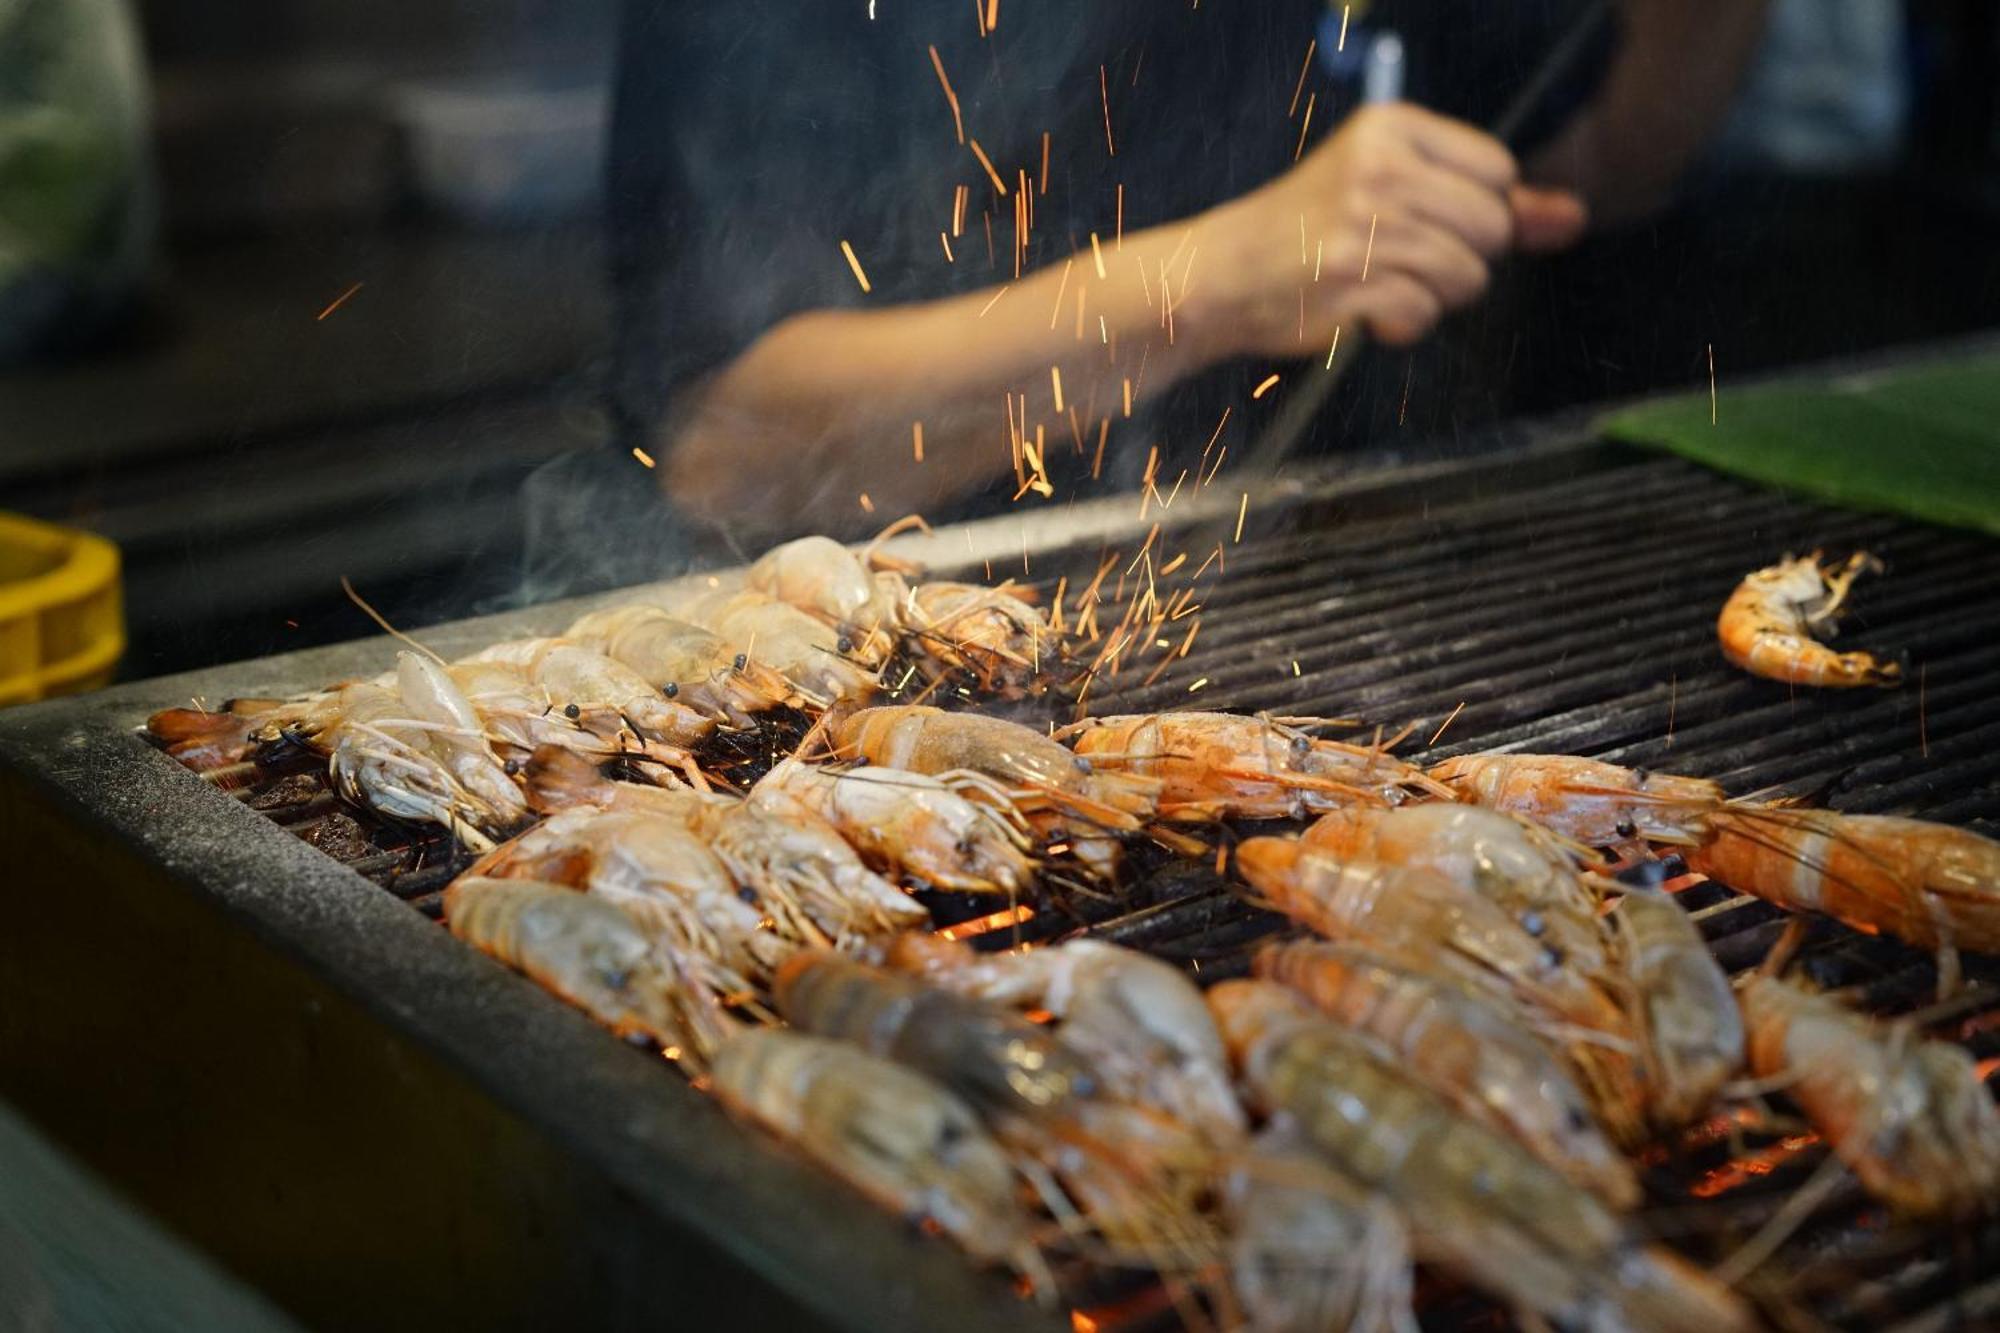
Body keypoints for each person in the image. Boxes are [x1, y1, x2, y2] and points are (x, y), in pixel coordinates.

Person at [526, 1, 1768, 593]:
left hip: (1329, 611)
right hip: (888, 658)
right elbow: (726, 451)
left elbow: (1589, 164)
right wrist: (1209, 281)